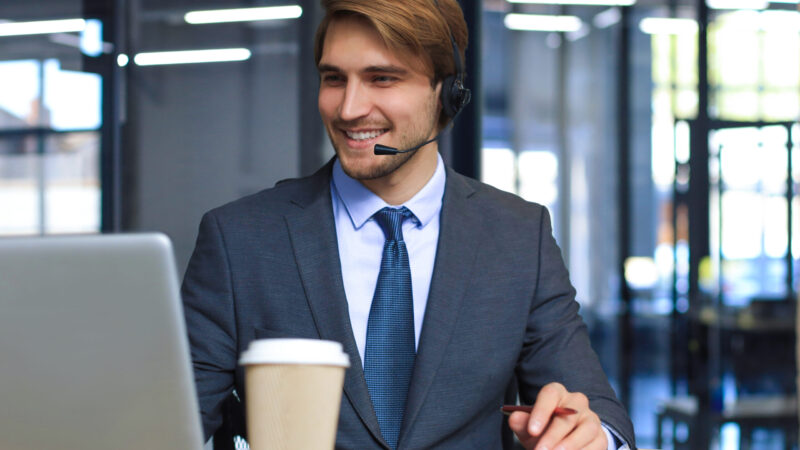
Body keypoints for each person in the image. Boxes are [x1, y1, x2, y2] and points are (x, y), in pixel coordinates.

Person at [181, 0, 636, 448]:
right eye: (334, 79)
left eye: (382, 78)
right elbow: (169, 421)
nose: (349, 108)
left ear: (447, 91)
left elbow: (597, 411)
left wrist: (591, 437)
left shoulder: (519, 236)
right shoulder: (238, 240)